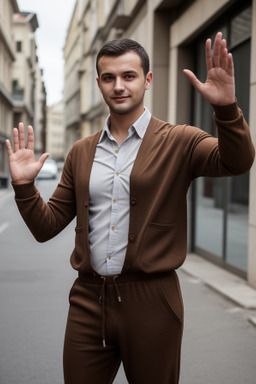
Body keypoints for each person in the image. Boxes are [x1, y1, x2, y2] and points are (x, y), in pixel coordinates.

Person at [6, 32, 255, 384]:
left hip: (153, 301)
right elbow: (46, 227)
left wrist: (226, 109)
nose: (118, 86)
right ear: (98, 83)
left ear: (147, 80)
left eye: (129, 76)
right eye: (108, 78)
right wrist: (23, 186)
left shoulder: (180, 140)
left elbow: (237, 161)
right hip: (88, 301)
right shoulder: (81, 151)